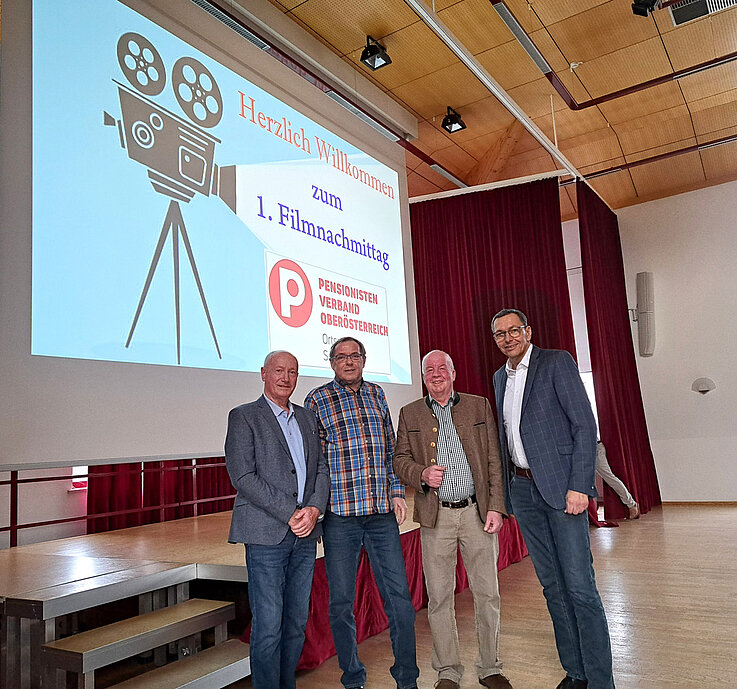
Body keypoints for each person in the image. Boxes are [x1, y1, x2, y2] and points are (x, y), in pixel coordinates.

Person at [491, 309, 615, 689]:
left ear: (528, 331)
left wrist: (581, 485)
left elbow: (584, 426)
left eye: (514, 330)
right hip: (524, 491)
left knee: (579, 587)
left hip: (563, 491)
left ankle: (600, 681)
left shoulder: (556, 363)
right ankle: (576, 673)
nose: (508, 338)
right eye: (500, 334)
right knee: (553, 588)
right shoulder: (499, 377)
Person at [304, 337, 419, 689]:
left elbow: (390, 449)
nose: (349, 361)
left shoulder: (377, 394)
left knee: (399, 599)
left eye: (355, 355)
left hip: (381, 514)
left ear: (364, 360)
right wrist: (316, 509)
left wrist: (397, 492)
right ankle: (352, 677)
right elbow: (313, 461)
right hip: (340, 517)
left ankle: (407, 679)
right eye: (341, 357)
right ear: (332, 363)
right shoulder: (317, 399)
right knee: (341, 602)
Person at [394, 350, 513, 689]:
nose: (436, 374)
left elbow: (494, 459)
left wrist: (496, 506)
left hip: (477, 513)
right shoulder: (410, 413)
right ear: (423, 377)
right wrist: (421, 473)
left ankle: (490, 667)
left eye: (442, 368)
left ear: (454, 373)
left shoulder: (478, 406)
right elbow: (399, 460)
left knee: (487, 593)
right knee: (439, 597)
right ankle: (447, 670)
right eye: (429, 369)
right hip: (436, 518)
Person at [225, 351, 330, 689]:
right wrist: (290, 512)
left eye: (292, 372)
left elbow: (321, 468)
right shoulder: (244, 416)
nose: (286, 378)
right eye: (279, 371)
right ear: (263, 374)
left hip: (305, 534)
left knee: (296, 623)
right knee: (269, 626)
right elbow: (243, 476)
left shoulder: (307, 417)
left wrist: (313, 509)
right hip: (266, 535)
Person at [596, 441, 639, 519]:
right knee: (586, 482)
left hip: (595, 448)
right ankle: (591, 511)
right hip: (581, 450)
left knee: (610, 478)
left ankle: (631, 504)